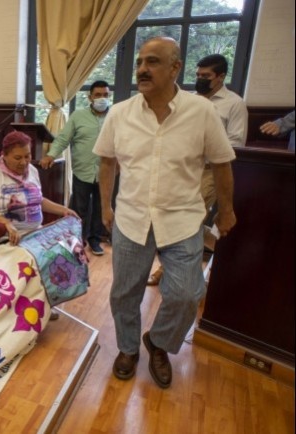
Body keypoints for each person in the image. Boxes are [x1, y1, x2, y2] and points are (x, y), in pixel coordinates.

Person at [94, 37, 236, 389]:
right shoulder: (119, 113)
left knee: (187, 294)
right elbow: (107, 162)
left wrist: (226, 210)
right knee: (124, 293)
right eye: (140, 62)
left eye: (153, 61)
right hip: (131, 219)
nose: (142, 69)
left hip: (182, 219)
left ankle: (158, 342)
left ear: (176, 68)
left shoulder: (201, 112)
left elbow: (222, 164)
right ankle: (128, 348)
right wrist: (106, 206)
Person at [147, 53, 248, 286]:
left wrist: (205, 148)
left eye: (206, 76)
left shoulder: (234, 104)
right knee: (171, 217)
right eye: (198, 75)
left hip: (209, 171)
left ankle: (167, 271)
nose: (200, 79)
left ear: (221, 77)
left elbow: (236, 143)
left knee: (187, 219)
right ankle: (211, 251)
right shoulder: (188, 101)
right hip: (180, 169)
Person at [0, 130, 79, 250]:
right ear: (4, 155)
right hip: (6, 237)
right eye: (18, 158)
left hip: (35, 233)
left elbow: (38, 200)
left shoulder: (32, 170)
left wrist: (64, 210)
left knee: (70, 248)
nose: (24, 162)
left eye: (27, 156)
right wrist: (4, 222)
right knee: (47, 257)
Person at [40, 80, 111, 256]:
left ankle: (95, 240)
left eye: (105, 95)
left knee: (101, 208)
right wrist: (51, 155)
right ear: (90, 97)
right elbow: (63, 138)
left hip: (107, 173)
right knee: (80, 208)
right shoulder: (78, 116)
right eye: (98, 95)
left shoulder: (115, 116)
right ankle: (78, 240)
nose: (102, 98)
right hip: (82, 171)